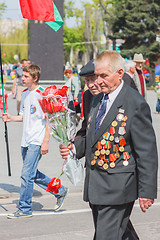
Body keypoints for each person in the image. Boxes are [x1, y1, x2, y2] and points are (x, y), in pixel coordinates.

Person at [59, 50, 158, 240]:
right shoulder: (97, 98)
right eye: (98, 76)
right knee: (121, 233)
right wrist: (73, 148)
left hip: (118, 185)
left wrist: (147, 191)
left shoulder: (134, 103)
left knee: (106, 236)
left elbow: (146, 151)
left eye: (104, 75)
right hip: (96, 184)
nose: (99, 81)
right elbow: (92, 136)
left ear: (119, 73)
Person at [76, 58, 140, 239]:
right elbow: (87, 130)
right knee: (119, 228)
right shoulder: (90, 97)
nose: (91, 84)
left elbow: (137, 135)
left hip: (119, 176)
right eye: (87, 81)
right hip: (96, 178)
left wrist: (144, 187)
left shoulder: (124, 90)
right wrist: (73, 147)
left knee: (108, 230)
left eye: (93, 78)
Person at [2, 64, 68, 219]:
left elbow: (50, 120)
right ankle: (60, 190)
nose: (22, 79)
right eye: (22, 76)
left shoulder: (42, 94)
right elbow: (25, 116)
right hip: (25, 141)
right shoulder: (25, 94)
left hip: (37, 141)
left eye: (26, 76)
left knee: (26, 174)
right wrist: (11, 118)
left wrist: (45, 141)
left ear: (35, 78)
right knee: (32, 173)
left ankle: (25, 209)